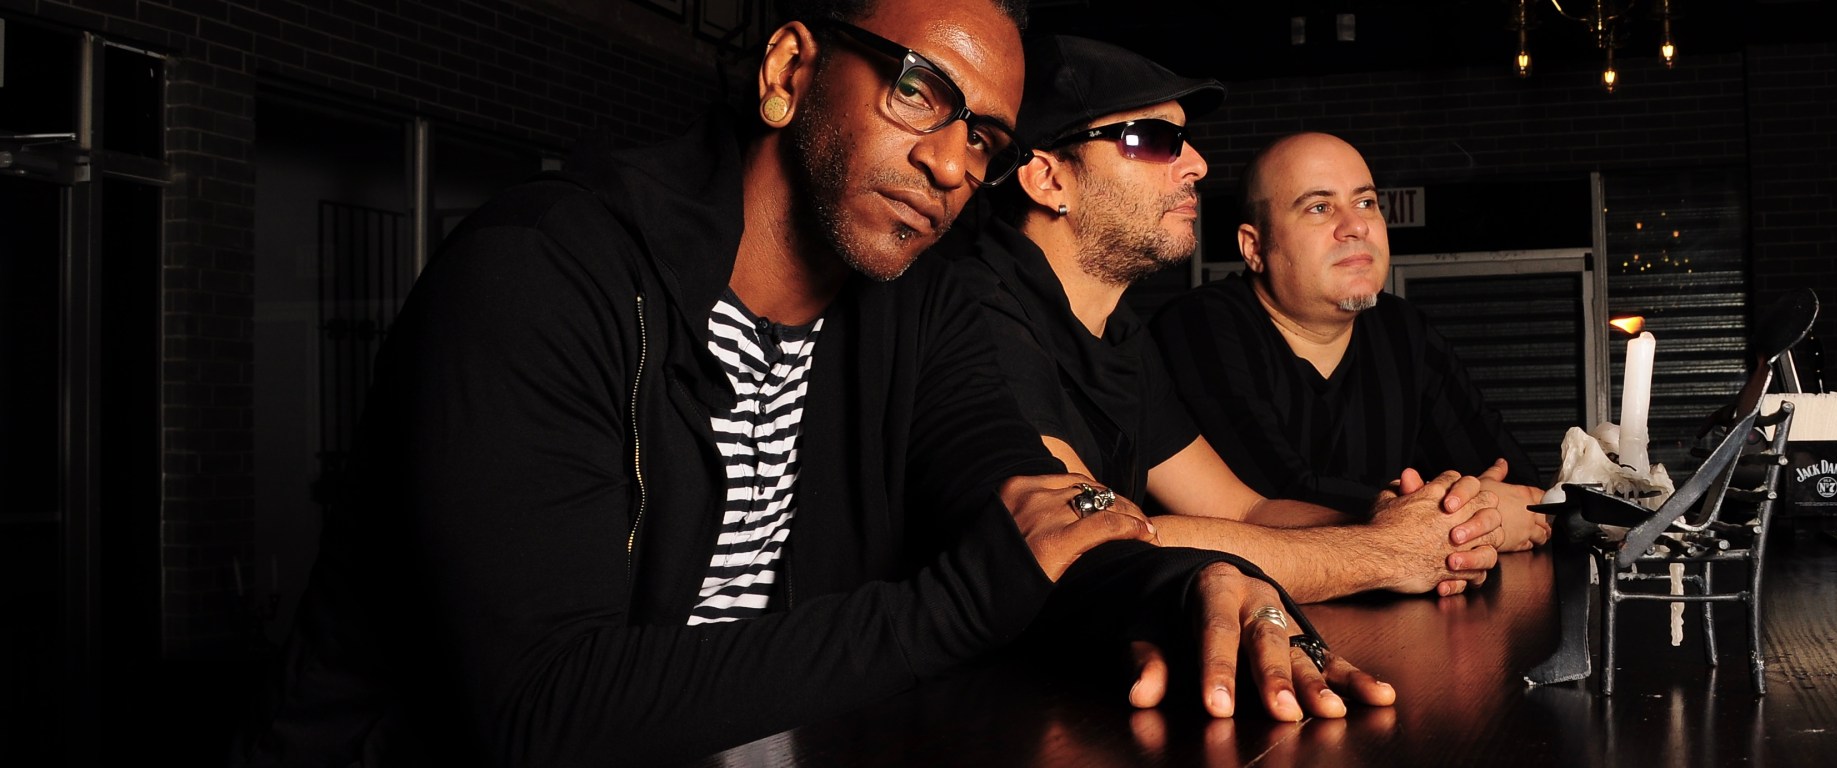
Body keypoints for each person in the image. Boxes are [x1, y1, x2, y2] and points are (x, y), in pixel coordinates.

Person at [247, 4, 1390, 765]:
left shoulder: (918, 304)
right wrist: (961, 605)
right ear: (791, 72)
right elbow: (541, 709)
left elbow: (1012, 505)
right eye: (917, 92)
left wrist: (1186, 589)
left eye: (985, 139)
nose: (950, 163)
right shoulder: (547, 272)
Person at [940, 35, 1508, 603]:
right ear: (1048, 180)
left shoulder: (1119, 334)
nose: (1197, 165)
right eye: (1153, 140)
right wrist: (1384, 552)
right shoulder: (974, 312)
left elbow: (1243, 510)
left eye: (1185, 141)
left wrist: (1411, 523)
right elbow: (1087, 541)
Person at [1149, 131, 1551, 553]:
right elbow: (1272, 500)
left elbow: (1517, 484)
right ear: (1254, 247)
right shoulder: (1201, 326)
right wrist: (1465, 516)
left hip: (1404, 590)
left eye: (1366, 203)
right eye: (1320, 208)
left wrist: (1473, 508)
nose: (1357, 225)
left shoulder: (1402, 331)